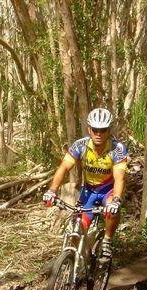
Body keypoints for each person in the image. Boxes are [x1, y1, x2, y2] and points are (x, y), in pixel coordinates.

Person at [42, 108, 128, 259]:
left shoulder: (117, 149)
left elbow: (120, 178)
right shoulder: (80, 146)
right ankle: (74, 265)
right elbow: (64, 167)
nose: (99, 134)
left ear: (109, 130)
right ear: (89, 129)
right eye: (95, 130)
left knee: (112, 210)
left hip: (108, 190)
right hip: (88, 190)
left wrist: (116, 200)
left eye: (103, 130)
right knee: (77, 229)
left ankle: (107, 241)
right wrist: (52, 190)